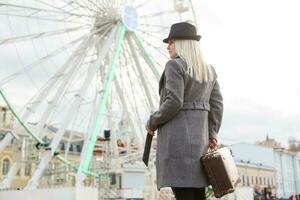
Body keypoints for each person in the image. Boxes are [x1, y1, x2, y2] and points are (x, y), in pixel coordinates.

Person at [145, 22, 223, 200]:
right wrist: (212, 133)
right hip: (200, 147)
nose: (168, 46)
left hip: (177, 146)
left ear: (183, 43)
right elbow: (217, 106)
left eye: (171, 42)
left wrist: (152, 121)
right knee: (198, 195)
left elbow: (173, 102)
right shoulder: (209, 71)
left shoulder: (174, 66)